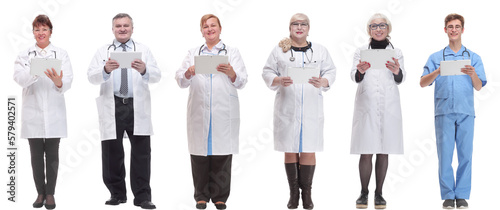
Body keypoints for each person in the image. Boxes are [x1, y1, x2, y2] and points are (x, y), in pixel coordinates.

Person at [262, 13, 336, 210]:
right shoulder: (279, 50)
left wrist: (324, 81)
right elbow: (267, 71)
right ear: (290, 27)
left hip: (311, 106)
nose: (299, 27)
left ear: (309, 28)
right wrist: (278, 80)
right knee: (290, 147)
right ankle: (294, 193)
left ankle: (307, 194)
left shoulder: (320, 50)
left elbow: (330, 71)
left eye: (303, 24)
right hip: (287, 106)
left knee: (308, 148)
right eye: (295, 24)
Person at [87, 13, 161, 209]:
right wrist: (105, 70)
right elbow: (91, 76)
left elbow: (157, 76)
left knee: (141, 153)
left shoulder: (143, 50)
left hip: (137, 106)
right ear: (113, 29)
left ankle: (143, 197)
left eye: (126, 25)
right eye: (118, 26)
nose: (122, 29)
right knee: (112, 152)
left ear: (132, 28)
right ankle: (117, 194)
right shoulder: (103, 51)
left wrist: (145, 70)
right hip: (113, 104)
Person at [175, 14, 247, 210]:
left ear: (220, 28)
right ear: (201, 31)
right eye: (205, 26)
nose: (209, 29)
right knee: (199, 155)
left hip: (223, 110)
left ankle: (220, 197)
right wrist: (189, 72)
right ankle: (201, 196)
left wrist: (232, 72)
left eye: (213, 25)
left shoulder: (231, 52)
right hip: (199, 109)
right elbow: (180, 79)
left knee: (222, 155)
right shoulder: (193, 52)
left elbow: (242, 80)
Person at [420, 13, 486, 209]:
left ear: (462, 30)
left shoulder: (473, 57)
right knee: (445, 155)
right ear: (445, 30)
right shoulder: (436, 57)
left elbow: (479, 86)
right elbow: (423, 82)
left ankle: (462, 195)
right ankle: (448, 195)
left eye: (457, 26)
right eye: (450, 27)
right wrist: (438, 71)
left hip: (466, 112)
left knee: (466, 154)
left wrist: (473, 74)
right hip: (444, 112)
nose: (454, 30)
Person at [13, 14, 73, 210]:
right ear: (33, 33)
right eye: (37, 29)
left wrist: (59, 82)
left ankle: (50, 194)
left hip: (54, 113)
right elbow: (19, 78)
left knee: (53, 156)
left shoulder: (61, 54)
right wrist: (35, 71)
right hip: (33, 113)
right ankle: (40, 192)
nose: (41, 33)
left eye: (44, 29)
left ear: (50, 32)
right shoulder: (25, 55)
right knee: (36, 156)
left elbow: (68, 79)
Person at [349, 13, 405, 209]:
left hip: (388, 105)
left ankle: (379, 193)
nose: (378, 29)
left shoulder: (396, 52)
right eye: (374, 26)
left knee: (383, 151)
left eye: (382, 25)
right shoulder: (361, 51)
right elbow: (354, 76)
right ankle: (363, 192)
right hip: (367, 104)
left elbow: (401, 78)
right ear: (369, 30)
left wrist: (397, 70)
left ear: (388, 28)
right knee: (366, 151)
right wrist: (360, 71)